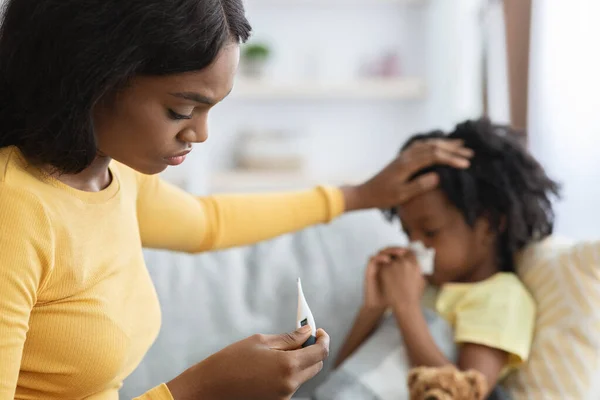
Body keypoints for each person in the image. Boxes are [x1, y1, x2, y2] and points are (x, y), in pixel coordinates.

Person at [0, 0, 474, 399]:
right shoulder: (14, 212)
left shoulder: (108, 171)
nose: (201, 133)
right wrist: (196, 389)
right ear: (91, 76)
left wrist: (359, 195)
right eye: (180, 110)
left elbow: (208, 223)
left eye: (209, 109)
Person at [325, 118, 560, 399]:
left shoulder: (500, 297)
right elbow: (343, 379)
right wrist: (373, 308)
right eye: (407, 232)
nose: (415, 245)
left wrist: (406, 308)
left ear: (490, 224)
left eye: (430, 232)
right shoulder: (422, 289)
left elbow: (463, 393)